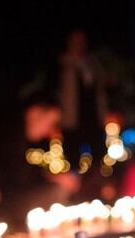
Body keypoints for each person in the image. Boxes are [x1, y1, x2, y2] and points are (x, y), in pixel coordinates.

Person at [0, 93, 79, 225]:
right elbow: (17, 176)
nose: (49, 131)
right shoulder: (7, 130)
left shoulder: (16, 132)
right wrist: (50, 177)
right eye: (50, 123)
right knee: (55, 190)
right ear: (34, 113)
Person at [50, 29, 107, 161]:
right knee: (72, 155)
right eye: (75, 41)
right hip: (71, 118)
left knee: (98, 155)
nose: (79, 44)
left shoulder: (93, 63)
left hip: (93, 117)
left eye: (82, 41)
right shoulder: (62, 64)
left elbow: (99, 89)